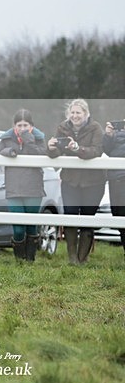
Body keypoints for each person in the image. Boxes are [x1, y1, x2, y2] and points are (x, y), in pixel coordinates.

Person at [47, 98, 104, 264]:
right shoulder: (62, 127)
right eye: (72, 112)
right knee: (70, 216)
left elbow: (97, 150)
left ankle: (82, 258)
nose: (75, 115)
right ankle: (72, 259)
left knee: (87, 218)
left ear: (86, 114)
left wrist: (78, 149)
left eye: (78, 112)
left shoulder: (96, 128)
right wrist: (51, 148)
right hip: (70, 181)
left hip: (93, 182)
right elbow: (56, 152)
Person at [0, 109, 48, 261]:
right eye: (19, 125)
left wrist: (29, 141)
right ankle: (19, 260)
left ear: (31, 126)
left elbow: (42, 154)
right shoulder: (6, 138)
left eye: (26, 125)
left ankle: (30, 260)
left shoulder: (39, 138)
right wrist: (9, 151)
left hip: (33, 188)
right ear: (14, 126)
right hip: (14, 188)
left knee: (31, 226)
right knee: (18, 227)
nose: (22, 128)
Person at [103, 117, 125, 255]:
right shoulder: (115, 136)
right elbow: (105, 150)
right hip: (116, 180)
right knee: (118, 214)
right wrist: (108, 136)